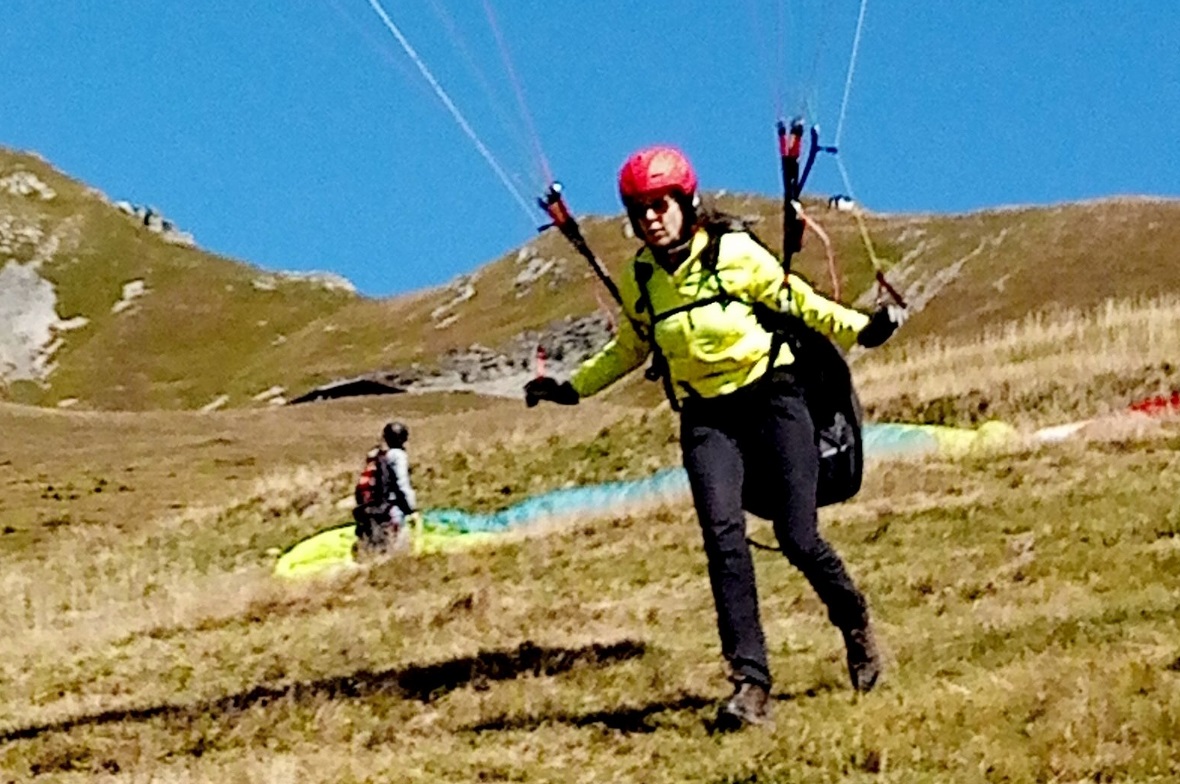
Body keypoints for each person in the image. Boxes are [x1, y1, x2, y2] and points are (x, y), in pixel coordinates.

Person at [524, 146, 903, 729]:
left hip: (773, 398)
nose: (651, 218)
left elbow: (798, 302)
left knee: (798, 537)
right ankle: (750, 684)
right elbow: (631, 347)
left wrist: (862, 329)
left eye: (661, 205)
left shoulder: (734, 253)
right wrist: (572, 389)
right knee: (723, 539)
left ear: (686, 203)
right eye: (640, 210)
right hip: (707, 418)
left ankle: (853, 621)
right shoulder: (642, 278)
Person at [353, 421, 417, 558]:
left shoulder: (378, 456)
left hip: (372, 510)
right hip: (391, 510)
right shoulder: (398, 456)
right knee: (394, 553)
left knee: (375, 552)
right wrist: (411, 509)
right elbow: (402, 484)